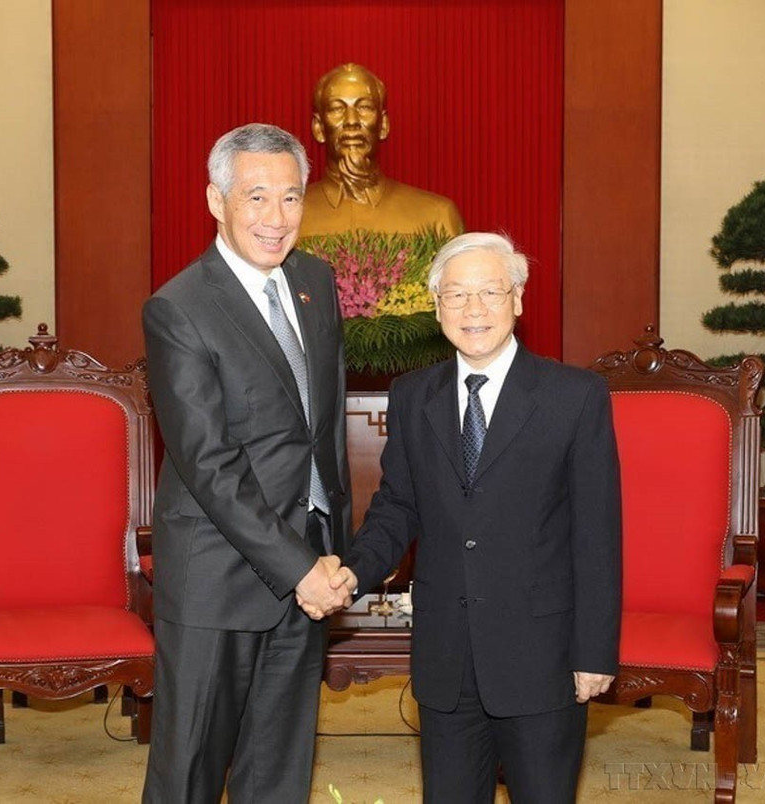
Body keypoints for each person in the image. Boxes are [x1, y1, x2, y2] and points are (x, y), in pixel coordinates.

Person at [330, 232, 622, 803]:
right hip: (446, 657)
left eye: (489, 292)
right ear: (436, 307)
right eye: (456, 295)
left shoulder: (575, 395)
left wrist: (594, 652)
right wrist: (352, 573)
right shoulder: (413, 395)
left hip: (544, 656)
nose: (473, 309)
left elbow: (597, 535)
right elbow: (398, 505)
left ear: (517, 299)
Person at [141, 123, 353, 803]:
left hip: (307, 568)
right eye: (256, 197)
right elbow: (208, 462)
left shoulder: (315, 281)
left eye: (291, 198)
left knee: (278, 772)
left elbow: (322, 432)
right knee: (189, 773)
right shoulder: (179, 308)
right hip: (219, 576)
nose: (276, 217)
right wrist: (297, 567)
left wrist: (325, 555)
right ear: (215, 200)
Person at [300, 62, 465, 238]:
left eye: (364, 107)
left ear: (384, 125)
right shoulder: (286, 217)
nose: (351, 121)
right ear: (318, 128)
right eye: (337, 109)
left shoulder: (436, 217)